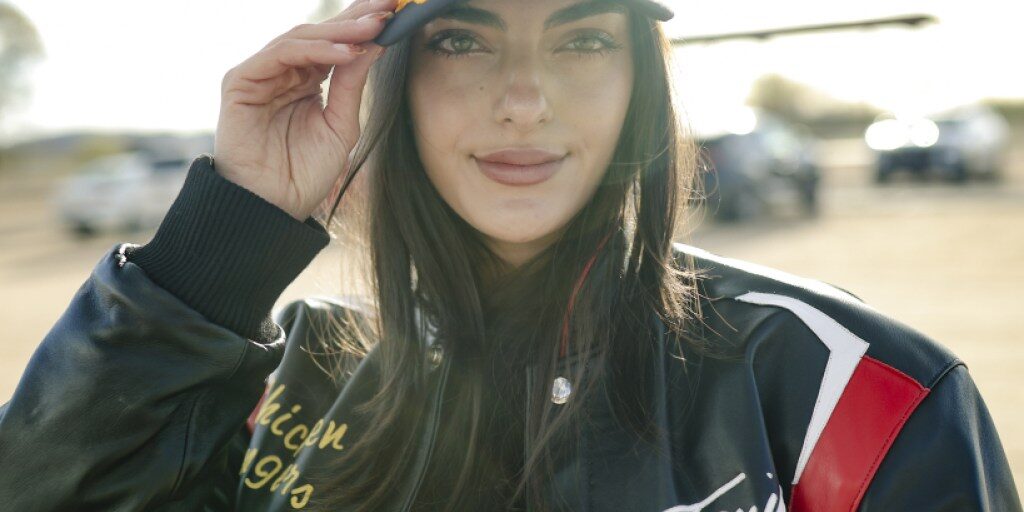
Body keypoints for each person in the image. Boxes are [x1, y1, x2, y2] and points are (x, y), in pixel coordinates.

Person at [0, 0, 1020, 510]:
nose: (525, 99)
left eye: (582, 39)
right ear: (381, 72)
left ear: (642, 81)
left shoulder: (852, 393)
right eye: (462, 39)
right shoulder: (281, 388)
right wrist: (226, 235)